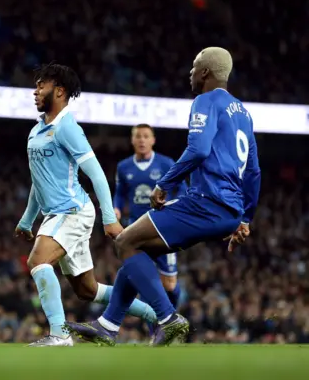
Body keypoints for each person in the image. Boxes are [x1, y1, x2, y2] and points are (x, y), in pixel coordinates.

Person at [65, 47, 261, 346]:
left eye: (194, 67)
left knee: (126, 242)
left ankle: (168, 318)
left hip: (206, 202)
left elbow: (198, 150)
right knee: (137, 248)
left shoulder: (205, 100)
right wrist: (245, 219)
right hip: (230, 211)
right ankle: (108, 325)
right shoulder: (243, 113)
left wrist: (164, 184)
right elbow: (254, 172)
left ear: (206, 72)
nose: (191, 73)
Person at [15, 64, 157, 347]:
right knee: (87, 290)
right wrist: (27, 219)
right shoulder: (36, 131)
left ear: (59, 91)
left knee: (38, 261)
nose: (35, 91)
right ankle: (155, 313)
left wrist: (109, 217)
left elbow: (96, 174)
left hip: (72, 211)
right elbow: (38, 180)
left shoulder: (68, 128)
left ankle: (59, 334)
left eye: (41, 85)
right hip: (56, 214)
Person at [114, 124, 187, 309]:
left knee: (169, 285)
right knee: (143, 282)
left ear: (153, 140)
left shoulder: (166, 163)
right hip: (136, 230)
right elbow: (120, 193)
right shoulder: (123, 167)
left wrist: (175, 208)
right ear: (132, 140)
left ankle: (174, 315)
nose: (142, 140)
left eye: (146, 136)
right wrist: (116, 208)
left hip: (162, 230)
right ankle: (154, 329)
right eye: (138, 136)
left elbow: (182, 188)